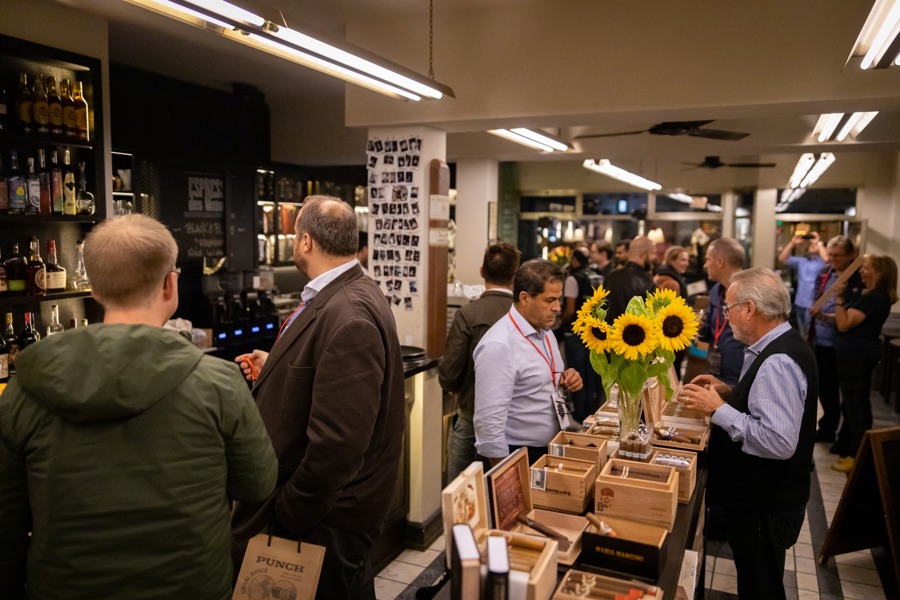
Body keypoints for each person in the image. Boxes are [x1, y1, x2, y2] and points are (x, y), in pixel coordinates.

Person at [0, 214, 278, 600]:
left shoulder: (26, 389)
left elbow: (8, 522)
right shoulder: (218, 383)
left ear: (95, 289)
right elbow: (258, 483)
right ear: (170, 284)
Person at [231, 196, 405, 600]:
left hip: (327, 521)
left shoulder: (349, 314)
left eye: (295, 236)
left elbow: (339, 445)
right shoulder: (349, 291)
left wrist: (290, 511)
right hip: (331, 515)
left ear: (306, 241)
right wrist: (277, 364)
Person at [679, 268, 818, 600]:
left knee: (760, 587)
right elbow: (766, 402)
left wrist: (718, 410)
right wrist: (730, 392)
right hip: (765, 499)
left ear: (750, 308)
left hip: (765, 503)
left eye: (728, 308)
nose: (726, 317)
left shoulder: (778, 362)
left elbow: (778, 441)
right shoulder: (780, 344)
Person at [473, 259, 584, 466]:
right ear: (524, 298)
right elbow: (489, 425)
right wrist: (507, 477)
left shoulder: (545, 332)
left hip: (548, 448)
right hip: (517, 455)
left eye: (558, 299)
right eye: (550, 300)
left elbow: (543, 379)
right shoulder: (499, 345)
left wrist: (568, 377)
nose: (557, 308)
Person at [439, 242, 521, 482]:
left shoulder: (468, 314)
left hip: (471, 416)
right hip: (514, 424)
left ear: (482, 271)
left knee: (464, 496)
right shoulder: (524, 315)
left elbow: (450, 373)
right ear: (514, 277)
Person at [830, 254, 898, 472]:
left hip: (857, 357)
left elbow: (845, 324)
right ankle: (851, 451)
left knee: (856, 405)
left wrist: (839, 299)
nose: (861, 271)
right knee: (852, 403)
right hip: (856, 355)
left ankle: (857, 456)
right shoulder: (874, 296)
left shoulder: (874, 298)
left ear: (879, 272)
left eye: (866, 268)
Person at [808, 236, 864, 446]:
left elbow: (850, 315)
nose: (832, 259)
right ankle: (827, 428)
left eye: (838, 256)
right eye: (830, 255)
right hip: (821, 340)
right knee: (826, 388)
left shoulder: (857, 279)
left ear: (851, 255)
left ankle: (847, 438)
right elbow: (817, 299)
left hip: (844, 341)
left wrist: (822, 316)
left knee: (848, 393)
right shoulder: (824, 274)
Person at [697, 237, 747, 386]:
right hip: (715, 374)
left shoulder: (751, 292)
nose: (705, 265)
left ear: (720, 262)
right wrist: (699, 329)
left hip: (741, 379)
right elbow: (709, 332)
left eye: (707, 260)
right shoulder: (715, 291)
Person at [562, 246, 603, 422]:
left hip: (576, 332)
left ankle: (579, 414)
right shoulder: (597, 276)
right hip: (594, 332)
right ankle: (591, 410)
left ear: (575, 260)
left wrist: (562, 324)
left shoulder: (572, 279)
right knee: (592, 372)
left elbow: (570, 310)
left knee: (576, 375)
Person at [778, 230, 827, 340]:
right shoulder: (802, 261)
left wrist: (818, 243)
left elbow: (827, 260)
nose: (812, 244)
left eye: (814, 243)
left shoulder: (822, 263)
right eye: (810, 243)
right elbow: (782, 259)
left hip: (813, 304)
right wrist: (793, 243)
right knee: (801, 335)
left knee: (810, 335)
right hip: (799, 303)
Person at [654, 245, 690, 379]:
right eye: (682, 260)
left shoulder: (659, 276)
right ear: (671, 260)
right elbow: (672, 315)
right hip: (671, 339)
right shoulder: (672, 283)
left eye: (687, 260)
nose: (686, 263)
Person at [603, 235, 656, 322]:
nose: (654, 258)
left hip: (609, 333)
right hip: (633, 333)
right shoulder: (645, 281)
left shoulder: (611, 276)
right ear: (643, 254)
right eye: (653, 253)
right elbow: (651, 316)